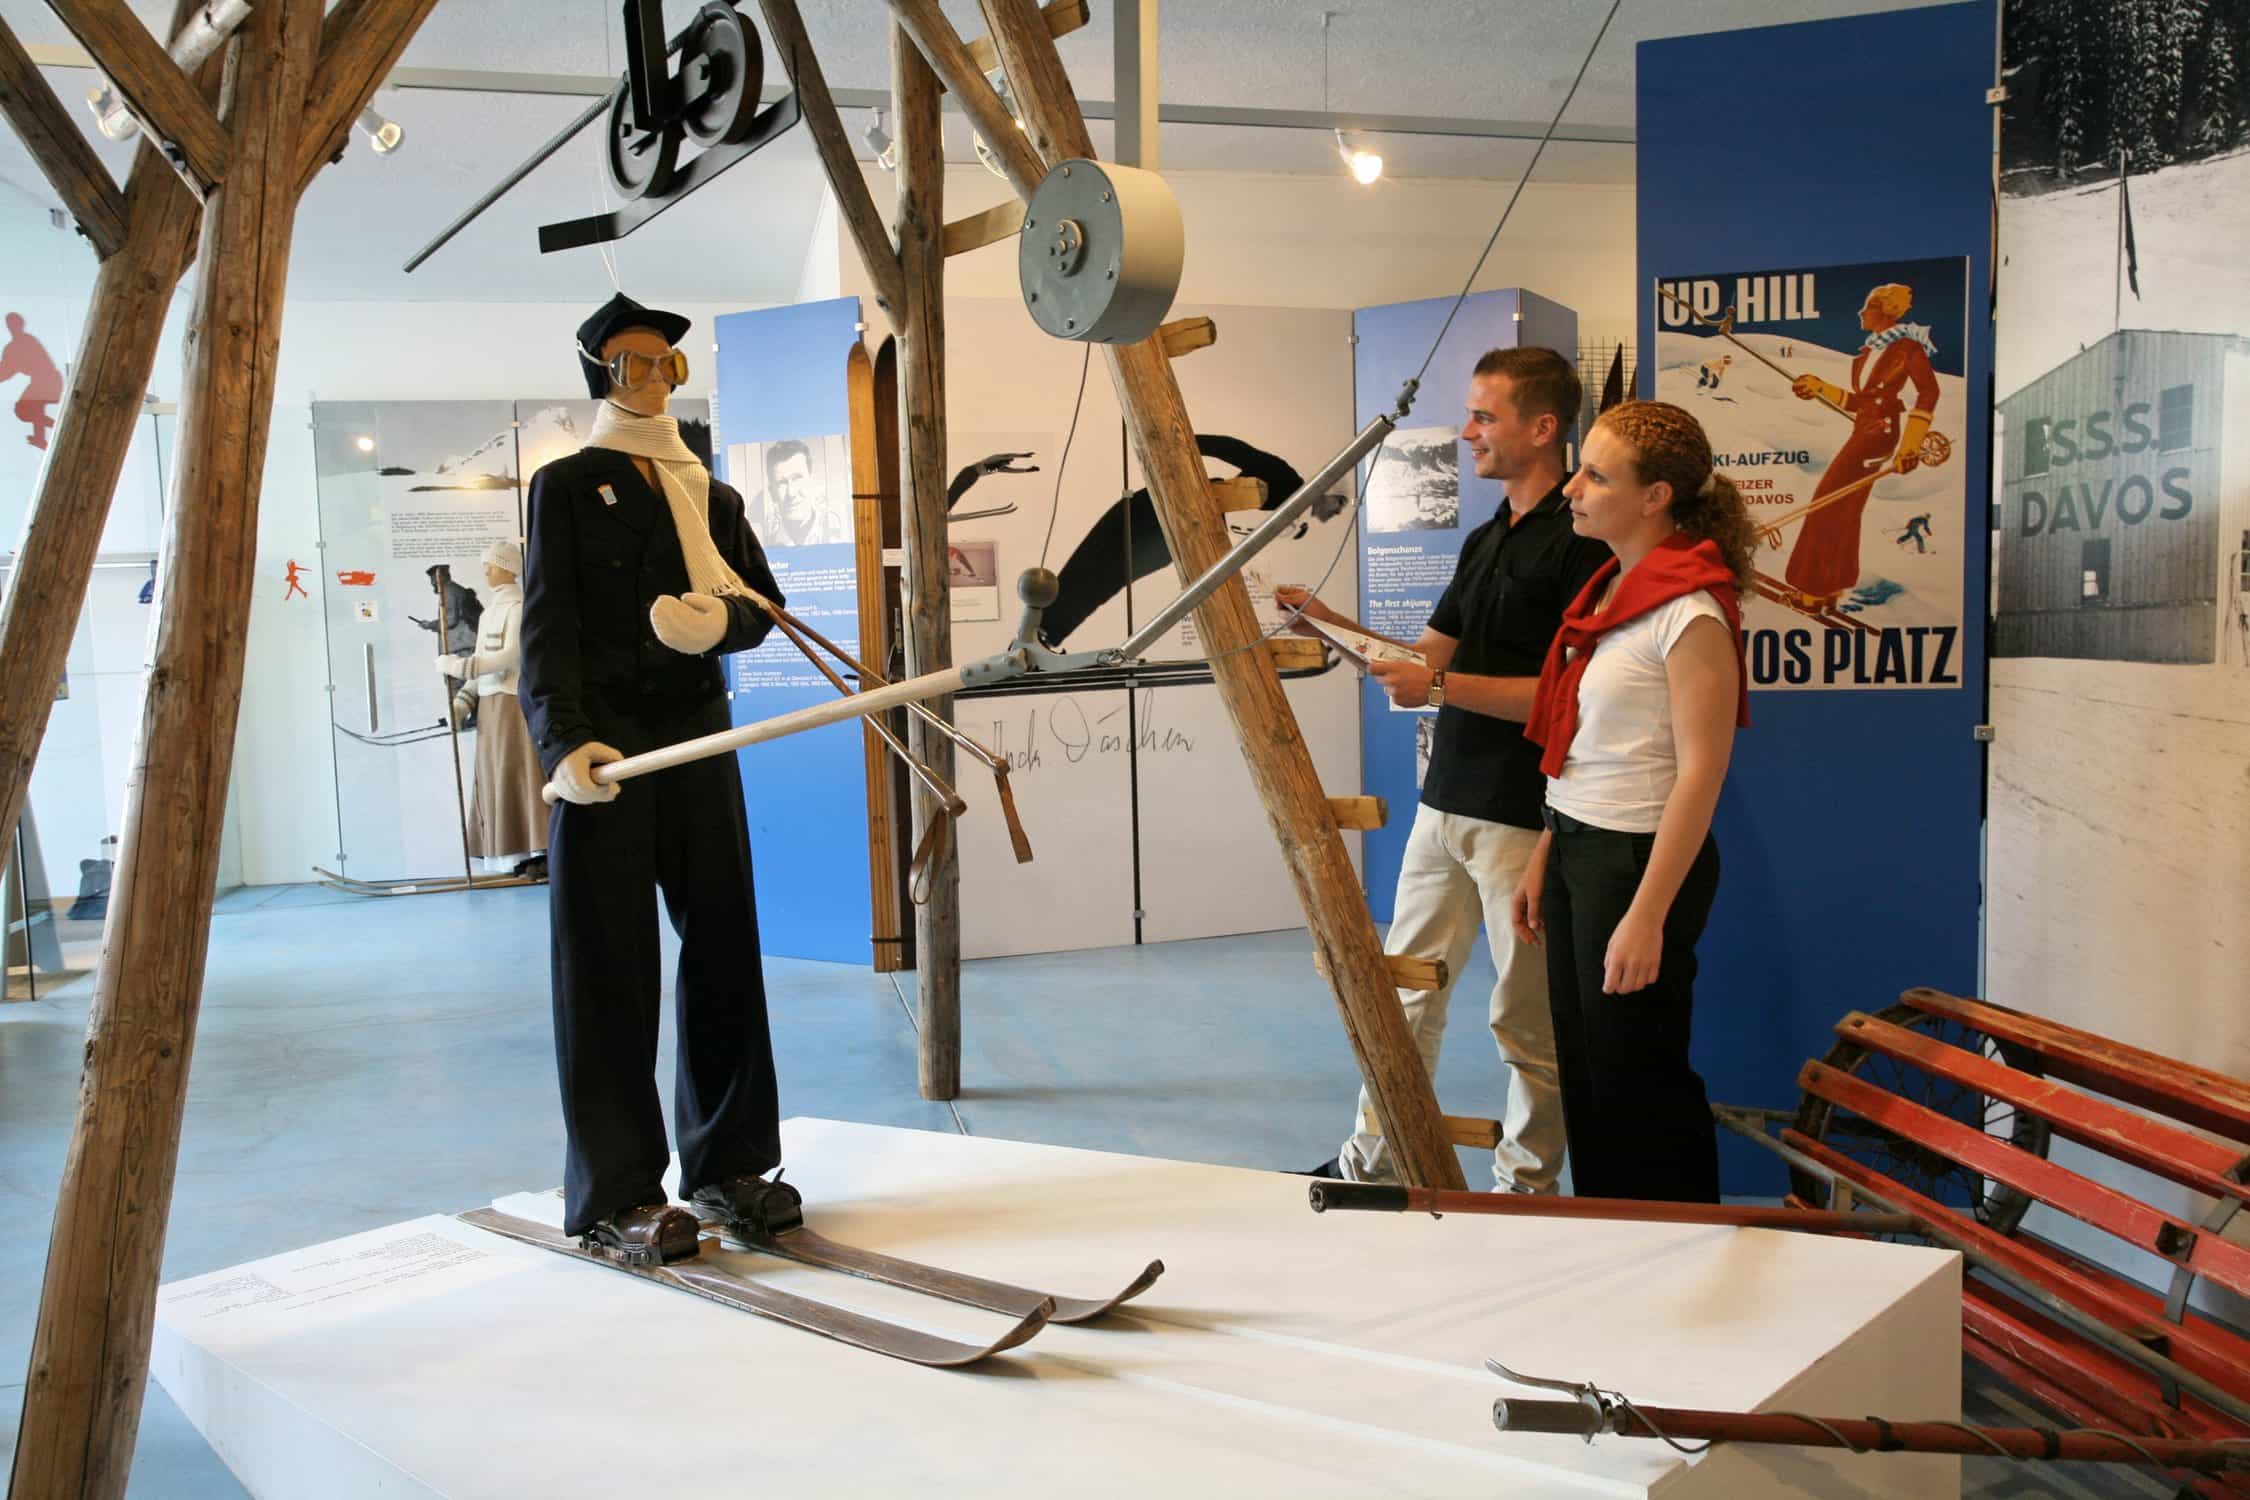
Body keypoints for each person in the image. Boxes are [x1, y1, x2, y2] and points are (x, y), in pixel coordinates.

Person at [1281, 347, 1608, 1192]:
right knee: (1402, 998)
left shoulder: (1582, 547)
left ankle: (1525, 1192)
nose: (1467, 432)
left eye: (1484, 416)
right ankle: (1373, 1165)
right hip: (1445, 805)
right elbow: (1424, 659)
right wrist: (1330, 624)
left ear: (1543, 427)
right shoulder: (1484, 538)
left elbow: (1569, 696)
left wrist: (1440, 686)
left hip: (1526, 818)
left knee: (1525, 1023)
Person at [518, 293, 797, 1265]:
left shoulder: (711, 494)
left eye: (665, 363)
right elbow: (545, 628)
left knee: (724, 946)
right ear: (602, 373)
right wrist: (563, 745)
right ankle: (619, 1193)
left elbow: (763, 602)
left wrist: (721, 622)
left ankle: (729, 1164)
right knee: (609, 965)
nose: (652, 379)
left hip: (697, 740)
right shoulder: (565, 485)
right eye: (633, 363)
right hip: (608, 754)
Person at [1512, 400, 1753, 1204]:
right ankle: (1613, 1231)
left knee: (1638, 1078)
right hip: (1580, 848)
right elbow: (1586, 750)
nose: (1572, 488)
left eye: (1596, 476)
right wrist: (1548, 850)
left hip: (1639, 865)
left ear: (1655, 498)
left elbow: (1701, 774)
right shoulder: (1612, 590)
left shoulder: (1690, 610)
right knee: (1587, 1071)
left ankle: (1683, 1242)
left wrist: (1647, 914)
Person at [1783, 282, 1938, 610]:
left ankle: (1812, 592)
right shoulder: (1870, 352)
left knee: (1826, 504)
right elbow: (1860, 403)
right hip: (1867, 431)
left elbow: (1929, 392)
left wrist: (1910, 446)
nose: (1861, 313)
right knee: (1844, 508)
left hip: (1878, 435)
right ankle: (1829, 589)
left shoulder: (1907, 347)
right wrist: (1819, 388)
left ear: (1884, 311)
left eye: (1867, 307)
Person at [435, 539, 547, 873]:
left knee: (519, 775)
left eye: (491, 565)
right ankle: (512, 854)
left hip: (512, 704)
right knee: (494, 777)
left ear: (507, 568)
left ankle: (538, 850)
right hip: (490, 707)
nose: (486, 571)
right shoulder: (490, 612)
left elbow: (512, 656)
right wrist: (462, 702)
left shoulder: (519, 608)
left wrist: (461, 667)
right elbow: (484, 659)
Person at [749, 438, 849, 547]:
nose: (791, 493)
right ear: (772, 493)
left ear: (811, 481)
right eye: (782, 483)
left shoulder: (839, 538)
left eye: (797, 478)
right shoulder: (766, 547)